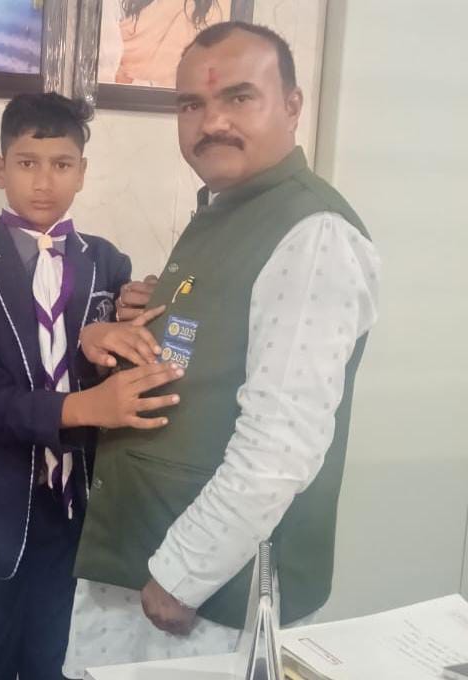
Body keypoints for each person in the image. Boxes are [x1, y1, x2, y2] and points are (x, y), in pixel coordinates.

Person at [64, 22, 381, 675]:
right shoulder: (223, 213)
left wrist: (183, 573)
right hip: (152, 553)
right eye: (192, 104)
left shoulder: (312, 234)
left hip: (209, 591)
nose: (211, 123)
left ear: (292, 106)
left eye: (239, 97)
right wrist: (140, 315)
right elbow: (200, 326)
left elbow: (281, 444)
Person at [0, 92, 183, 680]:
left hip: (78, 515)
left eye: (62, 164)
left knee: (59, 663)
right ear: (0, 169)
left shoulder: (108, 263)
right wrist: (87, 405)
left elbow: (121, 380)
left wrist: (146, 322)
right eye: (27, 163)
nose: (44, 181)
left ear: (83, 172)